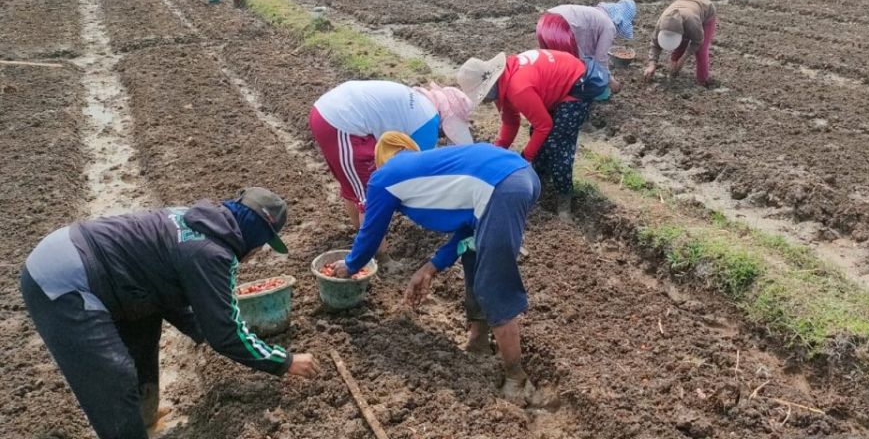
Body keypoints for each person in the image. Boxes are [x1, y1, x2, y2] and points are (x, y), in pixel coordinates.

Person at [20, 188, 318, 439]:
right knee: (114, 377)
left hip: (102, 267)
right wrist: (286, 361)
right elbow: (225, 335)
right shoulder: (212, 253)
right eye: (263, 243)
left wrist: (205, 326)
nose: (257, 251)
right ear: (256, 234)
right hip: (64, 280)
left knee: (144, 327)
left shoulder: (195, 220)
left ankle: (145, 417)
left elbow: (172, 295)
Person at [329, 140, 541, 406]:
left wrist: (350, 265)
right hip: (522, 177)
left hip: (503, 188)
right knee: (474, 255)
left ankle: (516, 377)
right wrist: (431, 267)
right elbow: (468, 231)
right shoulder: (431, 167)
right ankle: (478, 342)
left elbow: (371, 233)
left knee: (493, 284)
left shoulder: (382, 179)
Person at [457, 49, 606, 220]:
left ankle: (564, 199)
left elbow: (544, 125)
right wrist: (496, 152)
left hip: (577, 85)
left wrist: (525, 157)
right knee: (538, 139)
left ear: (490, 86)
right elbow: (510, 123)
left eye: (482, 96)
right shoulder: (502, 84)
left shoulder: (518, 88)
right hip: (555, 86)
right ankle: (538, 183)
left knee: (556, 146)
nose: (483, 100)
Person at [309, 80, 474, 231]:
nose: (443, 136)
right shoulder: (428, 122)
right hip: (342, 121)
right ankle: (378, 256)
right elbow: (418, 175)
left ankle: (360, 236)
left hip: (326, 112)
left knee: (354, 186)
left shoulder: (419, 103)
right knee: (371, 197)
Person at [536, 0, 637, 90]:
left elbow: (586, 51)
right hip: (560, 27)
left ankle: (542, 91)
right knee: (569, 69)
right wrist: (609, 81)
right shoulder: (608, 26)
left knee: (551, 64)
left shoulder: (594, 15)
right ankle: (563, 100)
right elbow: (600, 59)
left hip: (544, 22)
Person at [643, 0, 717, 86]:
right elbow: (655, 44)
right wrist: (652, 64)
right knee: (680, 45)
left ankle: (702, 79)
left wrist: (682, 60)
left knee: (701, 50)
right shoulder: (661, 23)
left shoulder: (692, 23)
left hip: (706, 10)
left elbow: (697, 42)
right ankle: (673, 69)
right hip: (685, 3)